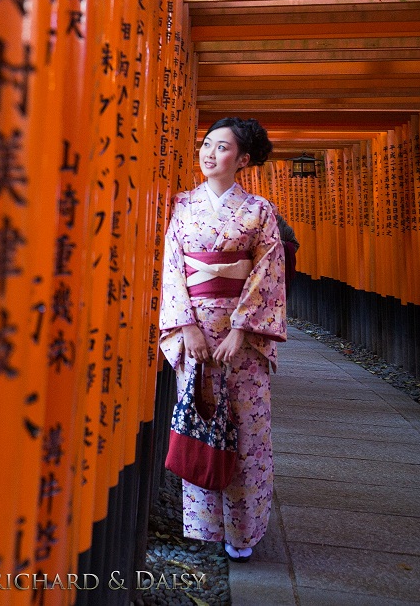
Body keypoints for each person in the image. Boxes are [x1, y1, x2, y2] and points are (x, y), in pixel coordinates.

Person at [158, 117, 287, 563]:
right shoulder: (181, 205)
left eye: (222, 147)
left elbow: (268, 272)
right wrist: (186, 326)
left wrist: (241, 329)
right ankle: (204, 526)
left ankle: (243, 531)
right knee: (197, 420)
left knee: (246, 430)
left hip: (241, 341)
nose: (210, 154)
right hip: (194, 335)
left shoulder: (259, 211)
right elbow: (171, 267)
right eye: (207, 145)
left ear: (243, 159)